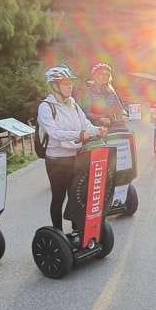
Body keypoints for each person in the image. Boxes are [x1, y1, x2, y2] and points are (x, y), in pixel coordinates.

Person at [37, 66, 104, 230]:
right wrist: (79, 135)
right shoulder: (46, 107)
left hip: (76, 156)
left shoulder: (72, 104)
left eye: (70, 83)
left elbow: (85, 124)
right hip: (57, 161)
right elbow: (55, 133)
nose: (69, 86)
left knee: (76, 195)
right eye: (65, 83)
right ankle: (58, 234)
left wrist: (97, 130)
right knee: (58, 198)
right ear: (54, 86)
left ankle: (77, 231)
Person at [81, 62, 128, 129]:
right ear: (95, 76)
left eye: (107, 75)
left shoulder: (111, 92)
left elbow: (120, 108)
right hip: (94, 127)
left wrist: (124, 115)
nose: (105, 76)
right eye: (101, 74)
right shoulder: (88, 93)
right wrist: (100, 118)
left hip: (112, 125)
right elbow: (85, 113)